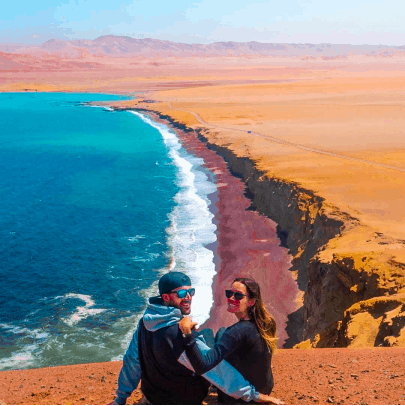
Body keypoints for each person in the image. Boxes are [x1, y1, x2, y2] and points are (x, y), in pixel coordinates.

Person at [111, 271, 281, 405]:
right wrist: (253, 394)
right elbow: (214, 369)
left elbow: (132, 361)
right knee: (206, 343)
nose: (188, 297)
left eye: (191, 291)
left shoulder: (144, 323)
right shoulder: (176, 333)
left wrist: (121, 398)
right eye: (182, 293)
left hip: (153, 396)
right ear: (166, 297)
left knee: (207, 335)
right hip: (184, 399)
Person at [179, 277, 282, 405]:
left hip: (237, 399)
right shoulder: (266, 322)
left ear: (251, 302)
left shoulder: (236, 332)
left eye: (238, 295)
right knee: (219, 331)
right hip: (266, 388)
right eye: (229, 293)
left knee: (207, 334)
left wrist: (187, 334)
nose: (231, 298)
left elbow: (202, 366)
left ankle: (215, 385)